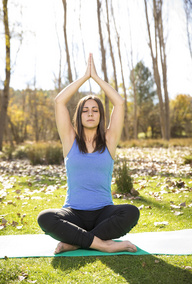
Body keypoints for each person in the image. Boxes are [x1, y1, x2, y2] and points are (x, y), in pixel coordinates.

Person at [37, 53, 140, 254]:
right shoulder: (70, 139)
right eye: (85, 110)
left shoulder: (109, 141)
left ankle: (76, 242)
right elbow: (59, 102)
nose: (91, 113)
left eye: (95, 110)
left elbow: (119, 102)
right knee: (45, 217)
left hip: (103, 212)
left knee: (131, 212)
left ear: (101, 115)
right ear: (79, 115)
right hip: (73, 213)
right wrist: (85, 77)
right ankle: (102, 244)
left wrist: (97, 78)